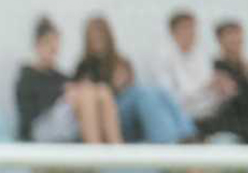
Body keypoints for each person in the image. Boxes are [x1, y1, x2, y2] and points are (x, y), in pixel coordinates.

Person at [74, 15, 193, 144]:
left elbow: (131, 86)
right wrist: (115, 86)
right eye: (94, 36)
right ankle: (171, 145)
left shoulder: (120, 61)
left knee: (158, 91)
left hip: (128, 103)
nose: (97, 40)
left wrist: (125, 81)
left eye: (100, 35)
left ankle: (189, 135)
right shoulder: (83, 66)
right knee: (143, 93)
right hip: (114, 110)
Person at [15, 16, 121, 143]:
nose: (53, 50)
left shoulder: (60, 76)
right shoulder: (27, 76)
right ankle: (96, 152)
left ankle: (118, 151)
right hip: (39, 129)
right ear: (38, 45)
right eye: (48, 44)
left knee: (102, 91)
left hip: (64, 122)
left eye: (55, 46)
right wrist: (65, 95)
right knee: (85, 95)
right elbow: (29, 115)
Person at [153, 10, 233, 127]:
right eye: (185, 28)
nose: (191, 32)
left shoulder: (201, 56)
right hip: (179, 119)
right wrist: (206, 87)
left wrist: (222, 91)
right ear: (173, 32)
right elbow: (170, 99)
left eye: (193, 28)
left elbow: (210, 98)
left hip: (208, 115)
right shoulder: (161, 58)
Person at [202, 20, 248, 143]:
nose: (235, 40)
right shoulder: (213, 68)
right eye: (230, 35)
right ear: (220, 40)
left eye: (237, 35)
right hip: (232, 122)